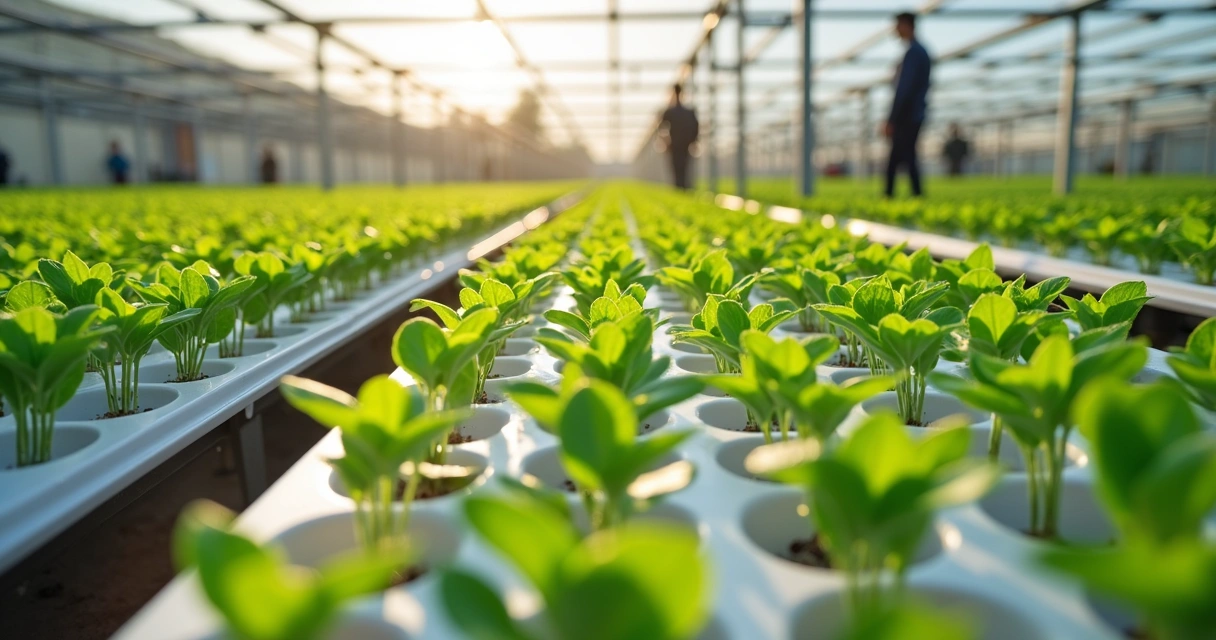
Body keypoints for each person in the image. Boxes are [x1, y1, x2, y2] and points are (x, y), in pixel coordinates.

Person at [883, 12, 931, 198]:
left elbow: (905, 89)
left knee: (902, 156)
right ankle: (909, 194)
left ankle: (893, 195)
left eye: (898, 25)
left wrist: (892, 119)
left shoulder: (914, 53)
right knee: (903, 155)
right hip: (913, 113)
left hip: (907, 115)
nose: (896, 30)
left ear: (906, 25)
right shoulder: (918, 51)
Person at [659, 84, 699, 190]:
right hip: (683, 144)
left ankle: (679, 187)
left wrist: (666, 141)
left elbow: (661, 128)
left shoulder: (670, 112)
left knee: (677, 167)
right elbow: (696, 128)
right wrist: (693, 140)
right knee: (683, 167)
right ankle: (682, 187)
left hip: (676, 145)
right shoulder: (688, 112)